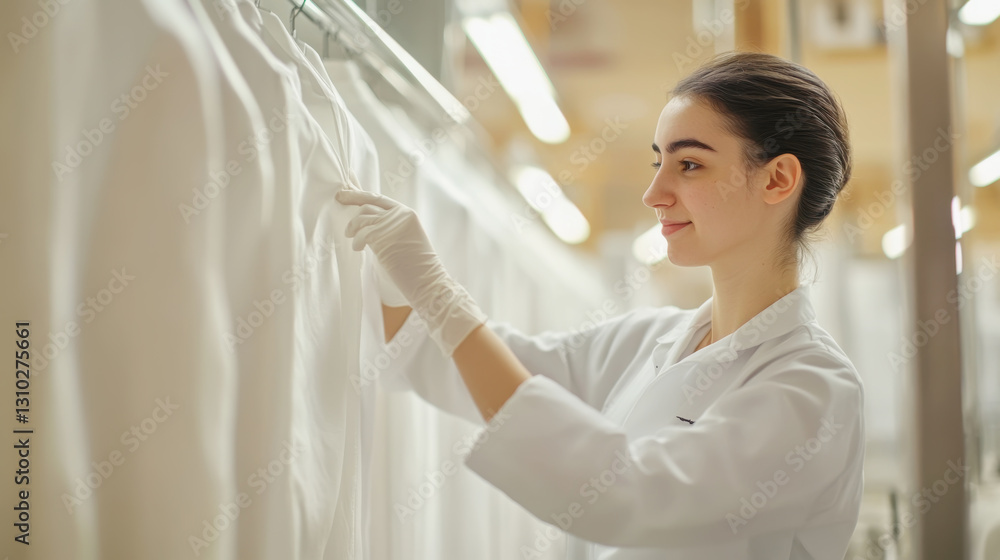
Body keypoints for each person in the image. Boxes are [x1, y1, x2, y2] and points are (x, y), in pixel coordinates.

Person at [334, 51, 865, 560]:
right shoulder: (641, 342)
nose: (654, 192)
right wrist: (387, 289)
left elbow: (627, 493)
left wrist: (443, 299)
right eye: (658, 163)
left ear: (777, 179)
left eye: (689, 164)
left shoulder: (812, 388)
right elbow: (494, 373)